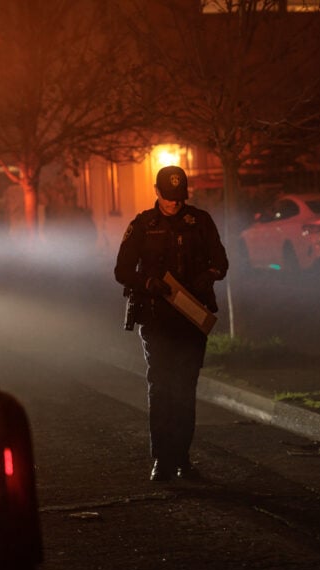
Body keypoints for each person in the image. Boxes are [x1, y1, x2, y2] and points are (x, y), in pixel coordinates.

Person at [115, 165, 228, 482]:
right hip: (156, 317)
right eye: (169, 197)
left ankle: (182, 457)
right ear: (156, 191)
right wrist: (147, 282)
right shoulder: (142, 225)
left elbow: (221, 262)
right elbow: (122, 271)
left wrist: (209, 275)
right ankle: (162, 459)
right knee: (162, 387)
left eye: (179, 198)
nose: (174, 204)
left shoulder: (200, 222)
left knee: (185, 388)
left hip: (191, 316)